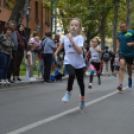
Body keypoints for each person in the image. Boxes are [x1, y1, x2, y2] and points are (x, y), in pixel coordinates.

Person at [54, 18, 86, 109]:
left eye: (76, 25)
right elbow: (61, 45)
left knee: (81, 83)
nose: (74, 27)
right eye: (72, 25)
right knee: (71, 74)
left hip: (79, 63)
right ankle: (68, 92)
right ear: (69, 26)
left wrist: (72, 41)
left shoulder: (80, 38)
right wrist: (56, 53)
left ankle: (83, 98)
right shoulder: (65, 37)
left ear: (79, 28)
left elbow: (80, 51)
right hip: (68, 61)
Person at [116, 21, 134, 91]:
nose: (122, 29)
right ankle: (120, 84)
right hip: (122, 52)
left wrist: (132, 43)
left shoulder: (132, 32)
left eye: (123, 27)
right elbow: (119, 41)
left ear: (126, 26)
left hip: (130, 53)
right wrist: (117, 49)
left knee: (129, 68)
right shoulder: (120, 33)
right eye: (120, 27)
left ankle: (130, 78)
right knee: (122, 66)